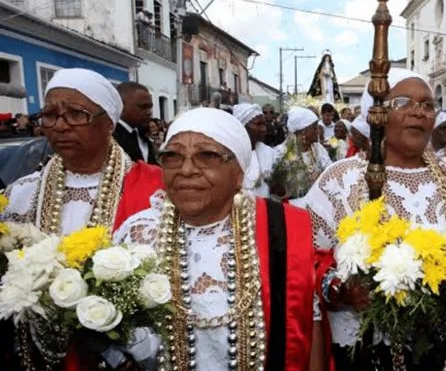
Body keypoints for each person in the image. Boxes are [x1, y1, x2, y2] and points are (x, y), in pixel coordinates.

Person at [306, 68, 446, 371]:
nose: (418, 112)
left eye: (427, 105)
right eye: (403, 102)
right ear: (374, 114)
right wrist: (341, 288)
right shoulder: (341, 179)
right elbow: (306, 261)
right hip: (368, 350)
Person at [114, 107, 317, 371]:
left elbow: (307, 329)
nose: (186, 169)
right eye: (173, 156)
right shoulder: (137, 234)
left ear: (239, 174)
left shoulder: (279, 228)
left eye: (207, 156)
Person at [0, 68, 162, 370]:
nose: (60, 126)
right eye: (50, 115)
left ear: (109, 123)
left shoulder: (155, 190)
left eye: (76, 114)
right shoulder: (22, 193)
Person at [232, 102, 282, 198]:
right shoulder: (232, 155)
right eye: (258, 124)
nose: (264, 129)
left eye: (264, 124)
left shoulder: (270, 153)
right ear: (243, 126)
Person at [113, 81, 157, 164]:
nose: (149, 112)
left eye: (150, 107)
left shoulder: (141, 135)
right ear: (121, 105)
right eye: (143, 107)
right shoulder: (111, 138)